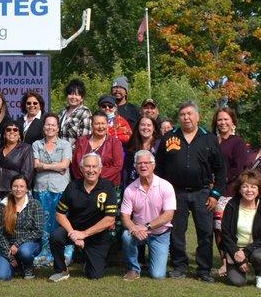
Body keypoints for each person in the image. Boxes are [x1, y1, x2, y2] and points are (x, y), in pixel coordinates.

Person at [156, 101, 225, 282]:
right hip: (175, 193)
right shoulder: (169, 137)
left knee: (205, 232)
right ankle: (179, 266)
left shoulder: (209, 138)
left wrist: (215, 194)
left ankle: (203, 270)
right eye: (182, 114)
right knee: (177, 231)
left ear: (197, 116)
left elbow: (220, 170)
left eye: (189, 114)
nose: (186, 117)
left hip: (202, 192)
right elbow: (159, 168)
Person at [48, 153, 119, 281]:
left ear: (100, 169)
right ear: (81, 169)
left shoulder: (108, 187)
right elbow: (59, 214)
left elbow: (110, 219)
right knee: (56, 236)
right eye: (87, 166)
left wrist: (84, 234)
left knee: (95, 275)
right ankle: (61, 270)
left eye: (94, 166)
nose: (91, 170)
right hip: (74, 230)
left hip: (97, 235)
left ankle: (87, 263)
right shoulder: (73, 186)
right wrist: (72, 234)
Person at [119, 149, 176, 281]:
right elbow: (125, 216)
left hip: (159, 234)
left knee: (157, 275)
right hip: (138, 232)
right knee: (126, 236)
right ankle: (133, 269)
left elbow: (168, 215)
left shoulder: (165, 186)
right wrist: (133, 228)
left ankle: (154, 259)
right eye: (139, 163)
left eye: (147, 163)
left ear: (153, 165)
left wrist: (146, 226)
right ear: (135, 166)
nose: (143, 166)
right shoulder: (130, 189)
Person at [220, 169, 261, 289]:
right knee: (237, 282)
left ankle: (260, 275)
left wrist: (245, 252)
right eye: (245, 186)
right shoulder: (231, 205)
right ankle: (241, 268)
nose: (249, 190)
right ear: (239, 189)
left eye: (253, 187)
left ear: (259, 189)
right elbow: (225, 234)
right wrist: (237, 255)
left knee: (260, 257)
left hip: (256, 247)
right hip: (235, 249)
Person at [213, 107, 250, 276]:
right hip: (211, 191)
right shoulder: (211, 140)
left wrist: (220, 180)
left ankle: (232, 260)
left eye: (226, 119)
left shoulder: (238, 142)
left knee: (225, 228)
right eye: (220, 119)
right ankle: (223, 261)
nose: (223, 123)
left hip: (228, 191)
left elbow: (239, 168)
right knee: (216, 228)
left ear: (233, 122)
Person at [32, 114, 72, 265]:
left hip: (60, 188)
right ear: (43, 127)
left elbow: (64, 166)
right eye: (47, 124)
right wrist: (55, 166)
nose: (50, 127)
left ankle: (63, 253)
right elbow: (35, 165)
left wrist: (45, 166)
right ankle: (45, 252)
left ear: (58, 128)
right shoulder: (37, 144)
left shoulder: (65, 144)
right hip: (41, 188)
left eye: (53, 125)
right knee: (43, 222)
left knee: (59, 220)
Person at [0, 176, 43, 280]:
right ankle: (17, 265)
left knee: (24, 252)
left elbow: (38, 231)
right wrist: (10, 257)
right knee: (2, 276)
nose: (18, 189)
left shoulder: (35, 204)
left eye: (21, 186)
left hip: (29, 244)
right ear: (11, 188)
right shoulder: (3, 205)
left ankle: (28, 266)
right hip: (8, 246)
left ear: (27, 189)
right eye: (15, 186)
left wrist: (17, 244)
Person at [72, 110, 125, 187]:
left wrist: (95, 178)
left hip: (108, 185)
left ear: (107, 125)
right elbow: (76, 164)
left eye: (103, 123)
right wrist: (86, 179)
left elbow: (117, 166)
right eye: (97, 124)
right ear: (92, 125)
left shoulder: (115, 142)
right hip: (83, 184)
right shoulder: (82, 141)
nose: (100, 127)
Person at [0, 120, 35, 200]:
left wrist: (20, 190)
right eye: (8, 129)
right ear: (4, 134)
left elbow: (27, 173)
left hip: (16, 192)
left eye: (15, 130)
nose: (12, 132)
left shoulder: (26, 148)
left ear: (19, 135)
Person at [123, 115, 159, 186]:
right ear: (138, 127)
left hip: (154, 186)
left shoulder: (159, 145)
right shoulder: (132, 144)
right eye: (143, 125)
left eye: (149, 125)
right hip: (133, 185)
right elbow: (127, 169)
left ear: (153, 127)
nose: (145, 128)